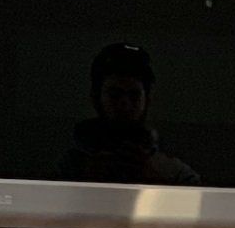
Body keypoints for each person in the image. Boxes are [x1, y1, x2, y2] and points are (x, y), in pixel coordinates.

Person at [58, 41, 200, 185]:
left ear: (147, 100)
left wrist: (156, 182)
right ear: (96, 98)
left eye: (134, 95)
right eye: (115, 94)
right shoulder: (70, 165)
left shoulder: (170, 169)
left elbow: (197, 198)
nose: (125, 104)